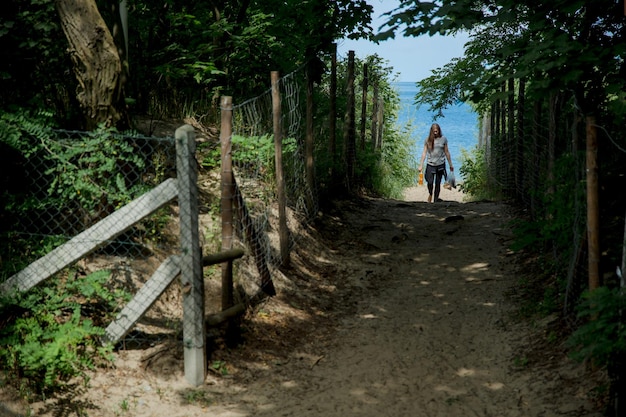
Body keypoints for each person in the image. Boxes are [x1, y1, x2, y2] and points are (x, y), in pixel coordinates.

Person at [418, 123, 454, 203]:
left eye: (436, 131)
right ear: (431, 131)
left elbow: (447, 152)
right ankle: (430, 193)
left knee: (438, 183)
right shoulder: (427, 140)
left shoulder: (443, 139)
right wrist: (421, 165)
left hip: (440, 164)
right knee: (429, 182)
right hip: (430, 164)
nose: (435, 133)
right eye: (434, 131)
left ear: (439, 131)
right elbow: (424, 153)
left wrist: (450, 164)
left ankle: (435, 200)